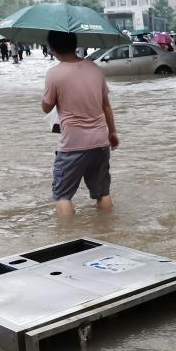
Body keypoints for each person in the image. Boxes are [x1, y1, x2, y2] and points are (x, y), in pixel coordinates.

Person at [41, 30, 119, 216]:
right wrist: (113, 133)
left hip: (72, 145)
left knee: (63, 196)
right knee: (103, 193)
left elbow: (46, 107)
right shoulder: (95, 69)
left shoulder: (54, 74)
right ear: (75, 44)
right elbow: (106, 106)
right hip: (100, 141)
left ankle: (66, 236)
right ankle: (107, 229)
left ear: (52, 49)